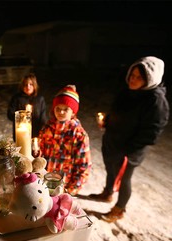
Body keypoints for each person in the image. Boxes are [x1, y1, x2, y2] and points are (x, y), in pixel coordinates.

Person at [89, 56, 169, 223]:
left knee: (124, 178)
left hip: (130, 149)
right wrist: (108, 121)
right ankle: (108, 193)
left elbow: (153, 129)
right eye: (132, 75)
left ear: (150, 78)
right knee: (111, 169)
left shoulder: (155, 100)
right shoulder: (129, 91)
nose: (133, 79)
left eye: (139, 77)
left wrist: (131, 148)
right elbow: (120, 111)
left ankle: (119, 209)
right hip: (113, 140)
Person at [38, 85, 91, 195]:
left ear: (73, 112)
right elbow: (40, 152)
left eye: (65, 109)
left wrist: (72, 189)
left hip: (65, 186)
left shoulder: (78, 134)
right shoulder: (47, 128)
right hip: (44, 182)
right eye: (58, 108)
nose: (61, 112)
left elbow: (83, 165)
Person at [7, 73, 48, 140]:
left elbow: (43, 117)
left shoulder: (40, 99)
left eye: (31, 84)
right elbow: (10, 114)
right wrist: (22, 115)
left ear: (35, 85)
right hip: (21, 135)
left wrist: (44, 130)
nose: (28, 87)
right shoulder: (17, 98)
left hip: (36, 134)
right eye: (25, 85)